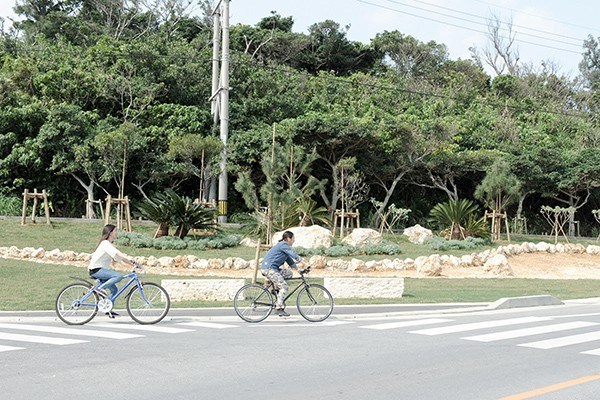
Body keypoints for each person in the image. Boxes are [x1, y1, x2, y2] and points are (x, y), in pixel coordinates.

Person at [88, 224, 137, 318]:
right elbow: (119, 254)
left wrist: (133, 264)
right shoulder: (105, 243)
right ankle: (100, 289)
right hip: (96, 270)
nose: (117, 233)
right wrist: (130, 259)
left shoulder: (109, 245)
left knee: (114, 290)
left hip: (101, 270)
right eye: (115, 231)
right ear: (110, 233)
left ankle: (108, 309)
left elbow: (119, 258)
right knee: (118, 276)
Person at [261, 231, 305, 317]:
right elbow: (294, 255)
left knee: (288, 273)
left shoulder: (284, 248)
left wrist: (299, 270)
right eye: (293, 239)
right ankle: (278, 308)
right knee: (284, 287)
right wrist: (305, 263)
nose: (294, 241)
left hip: (273, 269)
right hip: (269, 269)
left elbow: (291, 262)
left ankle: (276, 291)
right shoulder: (283, 245)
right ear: (288, 238)